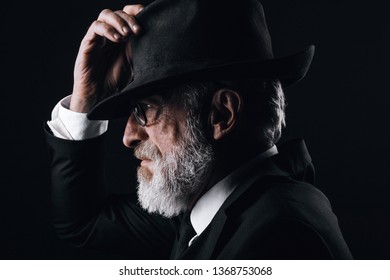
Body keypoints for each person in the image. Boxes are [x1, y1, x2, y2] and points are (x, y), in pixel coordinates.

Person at [45, 0, 352, 259]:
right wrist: (86, 97)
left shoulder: (281, 237)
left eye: (145, 110)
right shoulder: (217, 208)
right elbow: (84, 224)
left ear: (222, 114)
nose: (128, 136)